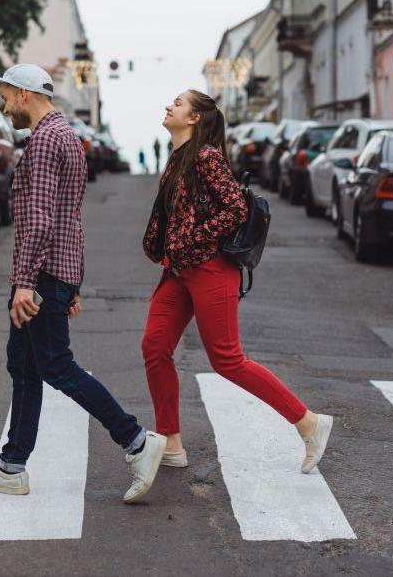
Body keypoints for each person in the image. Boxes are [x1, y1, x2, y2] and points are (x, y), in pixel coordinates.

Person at [0, 64, 165, 503]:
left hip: (41, 275)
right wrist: (72, 283)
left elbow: (40, 220)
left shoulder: (44, 141)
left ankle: (137, 442)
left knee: (56, 366)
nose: (3, 105)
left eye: (6, 96)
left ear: (23, 93)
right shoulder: (68, 136)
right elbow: (71, 219)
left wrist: (25, 283)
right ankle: (12, 467)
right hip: (56, 273)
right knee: (25, 365)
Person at [139, 89, 333, 474]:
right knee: (154, 346)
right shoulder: (177, 159)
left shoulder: (207, 158)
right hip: (179, 271)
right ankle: (172, 441)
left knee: (227, 359)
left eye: (177, 103)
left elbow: (236, 210)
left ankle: (309, 422)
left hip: (211, 269)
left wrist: (193, 238)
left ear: (194, 118)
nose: (168, 106)